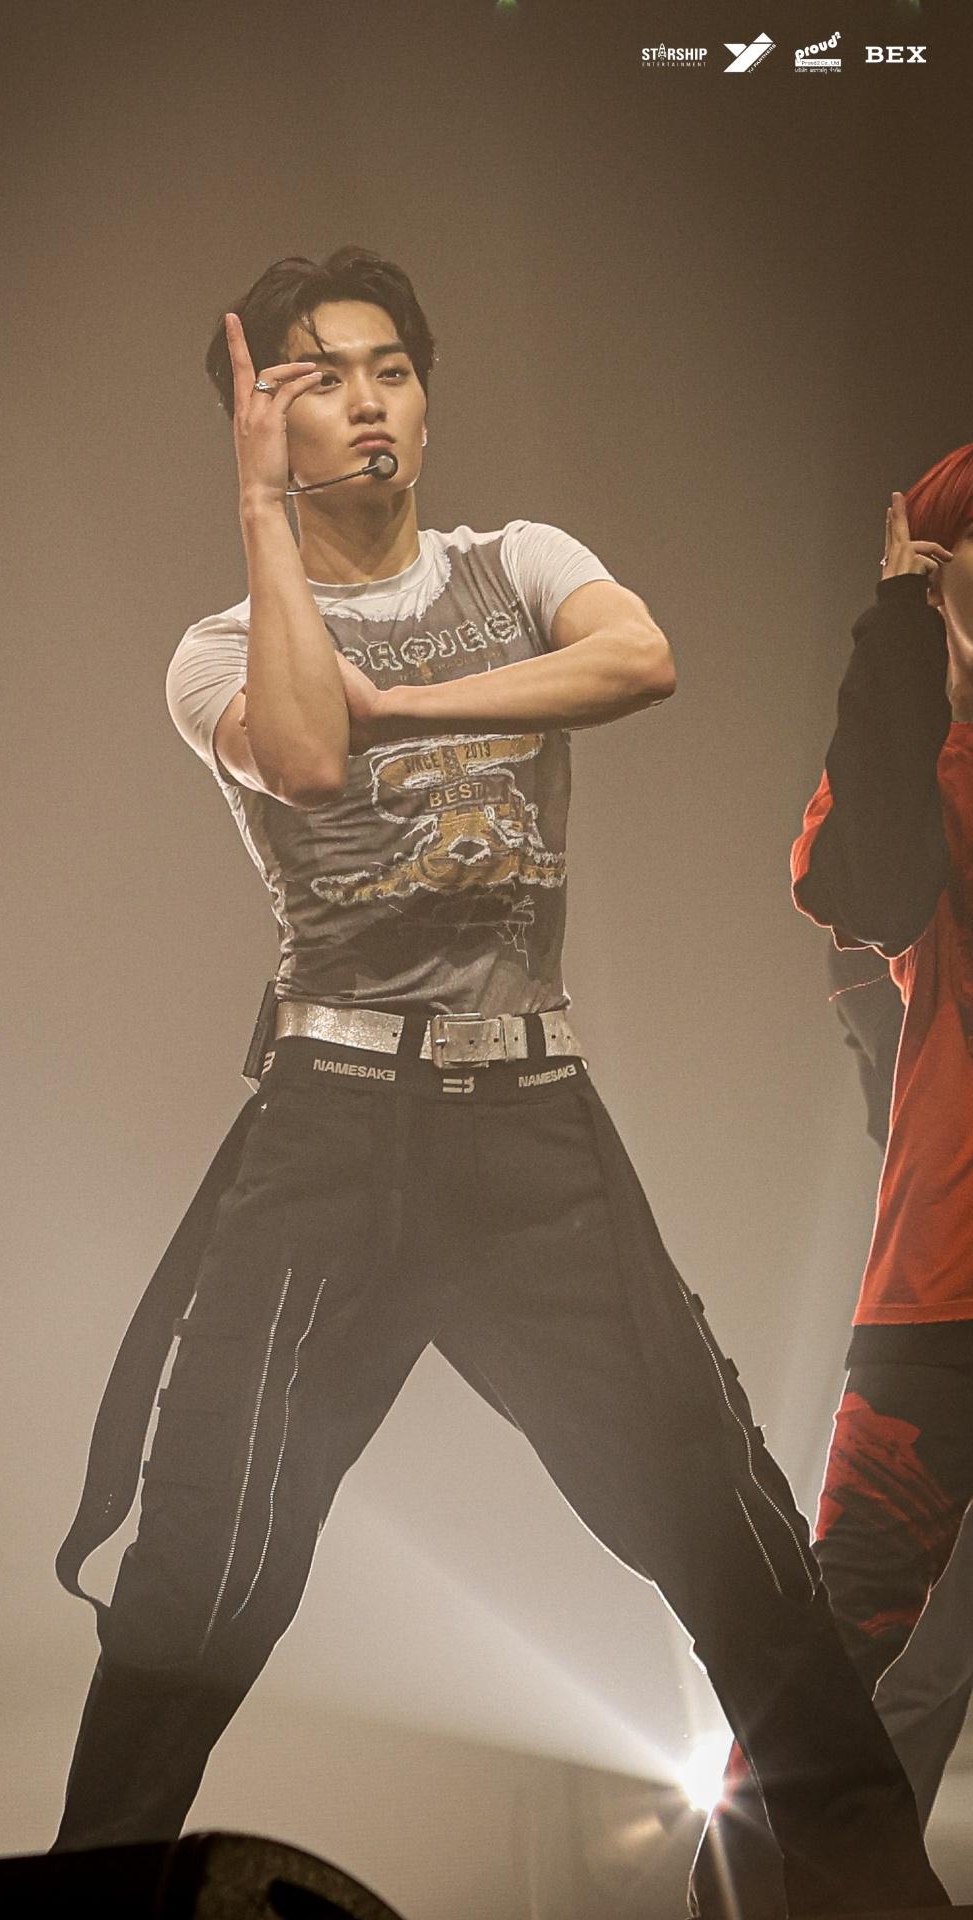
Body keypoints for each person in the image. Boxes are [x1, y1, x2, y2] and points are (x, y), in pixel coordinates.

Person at [50, 249, 947, 1918]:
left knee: (732, 1534)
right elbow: (301, 752)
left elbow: (640, 659)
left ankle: (884, 1901)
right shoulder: (218, 648)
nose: (368, 401)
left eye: (392, 367)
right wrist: (259, 512)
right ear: (260, 418)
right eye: (318, 378)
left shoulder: (518, 560)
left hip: (533, 1126)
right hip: (331, 1134)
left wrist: (401, 704)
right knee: (202, 1571)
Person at [693, 444, 973, 1914]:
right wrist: (897, 634)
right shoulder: (918, 771)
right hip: (941, 1291)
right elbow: (861, 885)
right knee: (841, 1664)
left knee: (915, 1677)